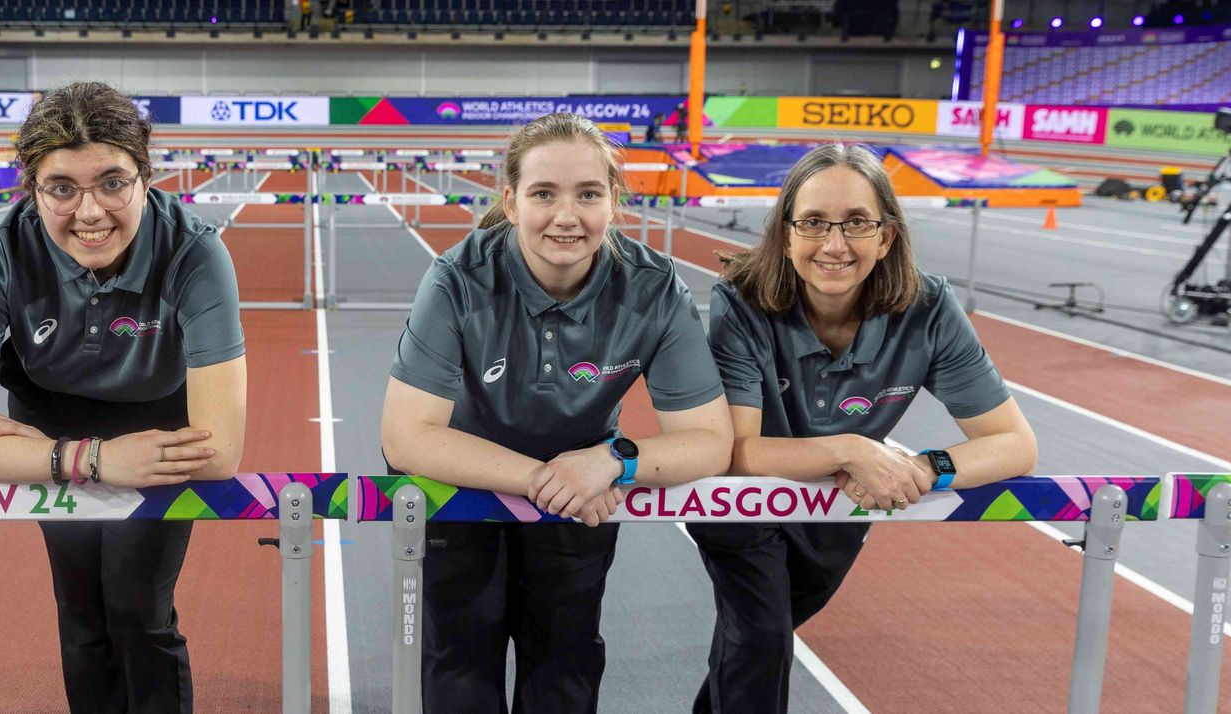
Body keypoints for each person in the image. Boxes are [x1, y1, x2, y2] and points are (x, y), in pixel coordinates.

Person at [379, 112, 734, 713]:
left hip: (584, 496)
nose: (566, 216)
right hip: (466, 490)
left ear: (614, 202)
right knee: (459, 666)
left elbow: (709, 442)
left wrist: (613, 460)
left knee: (563, 666)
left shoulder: (653, 289)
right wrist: (554, 481)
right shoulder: (456, 279)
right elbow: (407, 437)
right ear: (511, 202)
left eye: (588, 194)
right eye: (544, 193)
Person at [0, 81, 248, 714]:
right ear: (32, 187)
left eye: (112, 182)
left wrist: (78, 456)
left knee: (137, 610)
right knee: (81, 613)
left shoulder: (196, 252)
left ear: (147, 176)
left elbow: (220, 453)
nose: (91, 211)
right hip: (51, 427)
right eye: (62, 188)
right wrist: (87, 459)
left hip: (160, 429)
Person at [691, 144, 1038, 714]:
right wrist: (853, 449)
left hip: (839, 513)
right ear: (785, 233)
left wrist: (924, 468)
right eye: (813, 223)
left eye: (856, 222)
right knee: (759, 640)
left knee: (754, 645)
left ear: (887, 237)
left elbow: (1015, 444)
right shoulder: (743, 300)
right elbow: (733, 452)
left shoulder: (927, 309)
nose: (834, 244)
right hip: (745, 504)